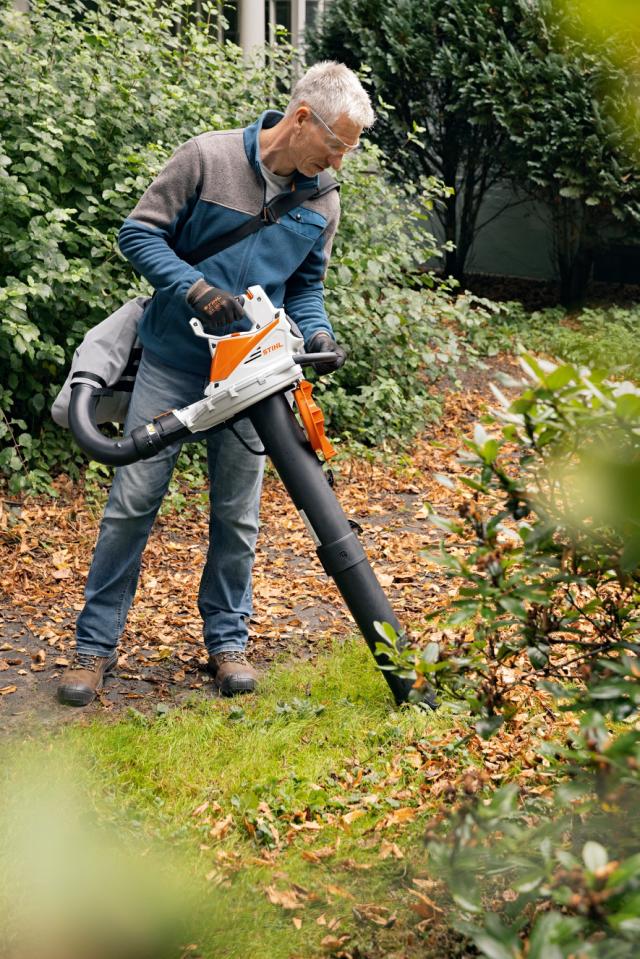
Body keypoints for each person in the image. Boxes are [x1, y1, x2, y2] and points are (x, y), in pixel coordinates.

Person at [57, 61, 375, 707]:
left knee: (237, 515)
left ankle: (227, 641)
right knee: (132, 502)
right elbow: (137, 233)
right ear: (302, 118)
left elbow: (306, 287)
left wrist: (317, 337)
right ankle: (94, 649)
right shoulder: (206, 159)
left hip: (255, 374)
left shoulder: (322, 199)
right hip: (173, 362)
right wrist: (193, 286)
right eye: (338, 143)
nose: (343, 158)